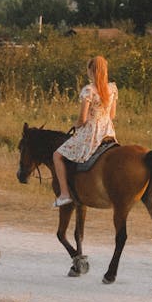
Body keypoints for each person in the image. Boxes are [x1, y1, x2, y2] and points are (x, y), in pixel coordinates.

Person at [51, 55, 118, 207]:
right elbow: (112, 115)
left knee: (57, 155)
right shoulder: (112, 89)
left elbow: (83, 119)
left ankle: (64, 194)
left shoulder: (88, 91)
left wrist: (76, 125)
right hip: (108, 132)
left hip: (91, 133)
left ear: (91, 71)